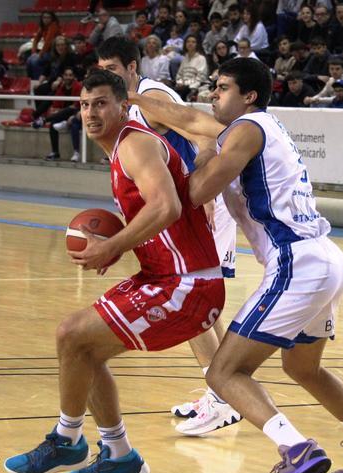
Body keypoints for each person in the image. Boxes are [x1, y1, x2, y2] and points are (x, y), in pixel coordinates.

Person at [130, 57, 343, 473]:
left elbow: (199, 191)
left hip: (297, 262)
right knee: (303, 368)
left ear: (249, 96)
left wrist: (192, 159)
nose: (214, 95)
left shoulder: (247, 129)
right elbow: (186, 117)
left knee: (223, 373)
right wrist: (139, 100)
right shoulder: (256, 128)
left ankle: (295, 449)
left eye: (222, 88)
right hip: (325, 258)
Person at [3, 69, 225, 473]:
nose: (90, 113)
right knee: (83, 352)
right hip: (164, 276)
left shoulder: (135, 144)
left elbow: (168, 207)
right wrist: (121, 243)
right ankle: (119, 454)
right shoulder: (121, 150)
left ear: (124, 106)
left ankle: (67, 438)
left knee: (72, 334)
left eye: (101, 103)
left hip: (186, 282)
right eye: (85, 105)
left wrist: (115, 244)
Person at [95, 37, 242, 435]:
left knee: (192, 298)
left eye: (112, 68)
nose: (105, 75)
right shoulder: (120, 106)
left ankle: (225, 395)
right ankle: (224, 391)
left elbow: (206, 134)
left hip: (199, 204)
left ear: (131, 67)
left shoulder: (150, 95)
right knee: (195, 301)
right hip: (179, 208)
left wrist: (203, 187)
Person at [43, 68, 83, 162]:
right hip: (63, 114)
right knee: (53, 124)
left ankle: (76, 153)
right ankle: (55, 152)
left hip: (76, 114)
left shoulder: (78, 87)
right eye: (66, 75)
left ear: (73, 77)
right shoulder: (61, 87)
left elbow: (77, 106)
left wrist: (71, 115)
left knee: (73, 118)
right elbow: (56, 104)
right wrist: (56, 110)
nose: (68, 77)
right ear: (63, 76)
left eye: (70, 75)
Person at [27, 11, 60, 80]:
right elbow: (36, 39)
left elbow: (48, 42)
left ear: (52, 19)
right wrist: (34, 52)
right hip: (47, 52)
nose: (46, 19)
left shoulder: (53, 26)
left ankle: (38, 81)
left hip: (55, 53)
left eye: (48, 17)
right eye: (44, 17)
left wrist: (40, 54)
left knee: (35, 61)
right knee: (29, 60)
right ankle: (32, 80)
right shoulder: (43, 27)